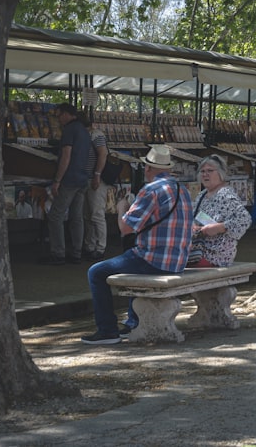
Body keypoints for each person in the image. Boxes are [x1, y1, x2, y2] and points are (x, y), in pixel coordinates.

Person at [81, 144, 193, 345]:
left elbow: (126, 229)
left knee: (96, 272)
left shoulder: (151, 190)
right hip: (177, 262)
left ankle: (107, 331)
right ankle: (133, 322)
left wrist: (122, 208)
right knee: (133, 258)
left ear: (148, 169)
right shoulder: (181, 189)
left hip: (154, 261)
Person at [43, 102, 92, 265]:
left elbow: (66, 156)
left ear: (66, 114)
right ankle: (76, 252)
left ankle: (58, 253)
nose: (59, 119)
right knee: (76, 217)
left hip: (69, 179)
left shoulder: (69, 130)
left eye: (59, 115)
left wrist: (57, 180)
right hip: (82, 178)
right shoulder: (85, 131)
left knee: (56, 215)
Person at [188, 154, 252, 268]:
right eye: (202, 171)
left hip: (215, 256)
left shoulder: (225, 195)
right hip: (198, 250)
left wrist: (219, 227)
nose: (205, 174)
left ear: (220, 173)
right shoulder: (202, 195)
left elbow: (244, 220)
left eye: (210, 171)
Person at [83, 118, 110, 261]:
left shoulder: (96, 135)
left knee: (96, 214)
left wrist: (97, 175)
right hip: (88, 178)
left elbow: (103, 153)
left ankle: (100, 247)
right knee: (89, 214)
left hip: (95, 179)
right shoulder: (90, 135)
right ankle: (90, 245)